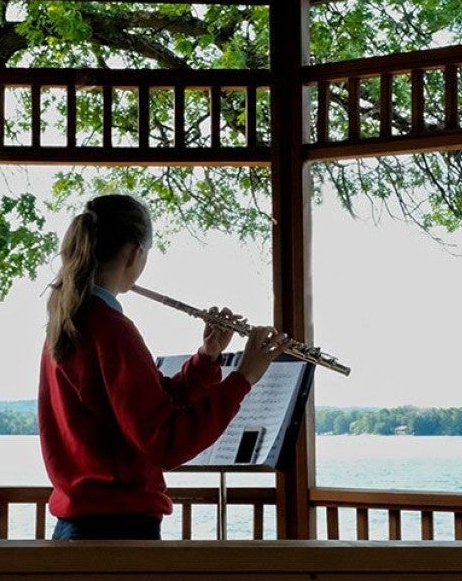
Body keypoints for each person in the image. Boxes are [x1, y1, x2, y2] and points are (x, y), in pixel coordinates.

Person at [39, 193, 289, 540]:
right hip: (116, 531)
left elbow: (153, 406)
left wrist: (207, 358)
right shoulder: (111, 328)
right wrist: (244, 377)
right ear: (134, 253)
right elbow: (166, 442)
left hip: (83, 525)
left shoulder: (71, 321)